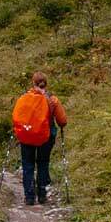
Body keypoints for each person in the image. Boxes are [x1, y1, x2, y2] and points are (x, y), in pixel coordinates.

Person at [16, 72, 68, 205]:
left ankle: (29, 197)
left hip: (27, 135)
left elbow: (18, 117)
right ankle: (42, 195)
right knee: (43, 163)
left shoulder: (24, 98)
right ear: (46, 83)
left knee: (27, 165)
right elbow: (62, 121)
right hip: (46, 137)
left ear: (33, 83)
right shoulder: (52, 100)